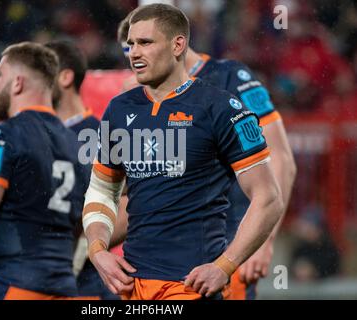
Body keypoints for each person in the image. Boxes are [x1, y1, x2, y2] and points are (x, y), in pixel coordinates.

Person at [82, 3, 283, 300]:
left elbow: (269, 198)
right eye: (131, 44)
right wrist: (97, 250)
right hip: (130, 285)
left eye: (145, 43)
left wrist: (224, 266)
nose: (134, 53)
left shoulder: (222, 108)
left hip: (189, 285)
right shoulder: (119, 109)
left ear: (178, 44)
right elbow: (102, 191)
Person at [0, 42, 91, 300]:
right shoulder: (77, 144)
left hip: (13, 282)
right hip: (62, 288)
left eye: (0, 75)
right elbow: (81, 221)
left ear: (18, 83)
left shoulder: (5, 134)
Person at [45, 39, 121, 300]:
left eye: (42, 74)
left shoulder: (101, 136)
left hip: (83, 282)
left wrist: (85, 250)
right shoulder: (30, 131)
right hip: (32, 273)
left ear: (65, 77)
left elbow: (127, 204)